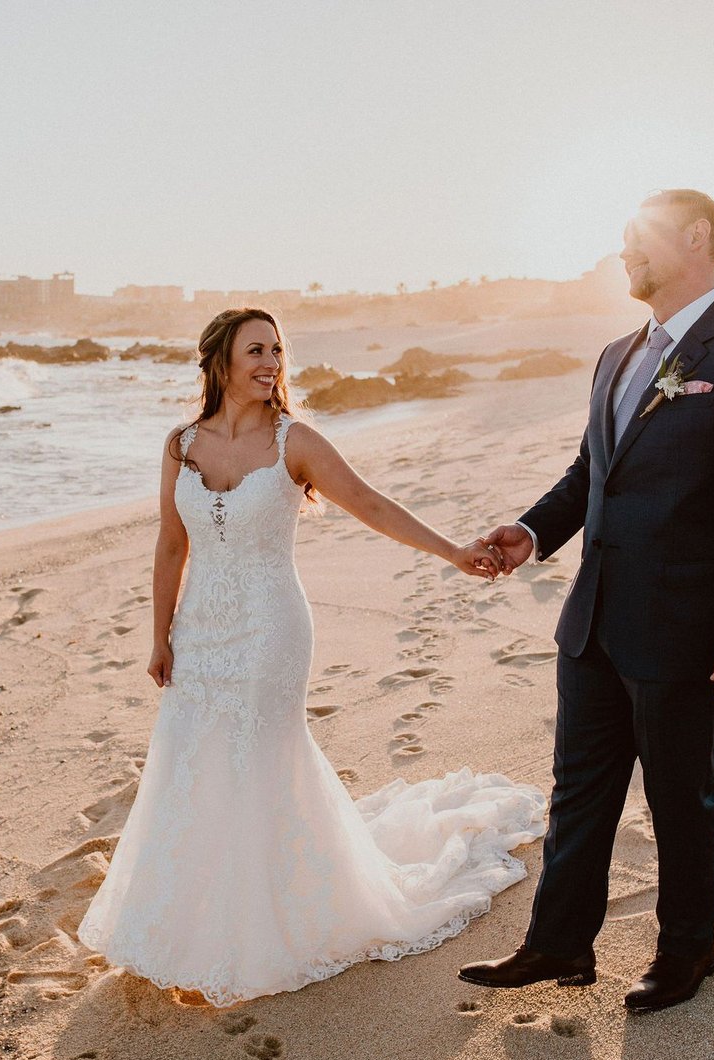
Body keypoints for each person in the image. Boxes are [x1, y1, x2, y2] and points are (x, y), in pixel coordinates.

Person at [76, 307, 547, 1007]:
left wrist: (452, 552)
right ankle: (188, 917)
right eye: (255, 350)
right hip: (201, 630)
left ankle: (264, 923)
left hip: (271, 631)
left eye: (277, 350)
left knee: (257, 758)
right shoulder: (180, 445)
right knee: (190, 755)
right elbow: (171, 545)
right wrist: (159, 634)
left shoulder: (295, 441)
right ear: (220, 362)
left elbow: (372, 506)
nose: (270, 362)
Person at [458, 189, 714, 1013]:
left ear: (696, 236)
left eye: (636, 238)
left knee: (679, 798)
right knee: (577, 789)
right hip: (593, 623)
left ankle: (689, 950)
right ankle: (557, 944)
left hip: (691, 632)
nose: (623, 253)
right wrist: (532, 530)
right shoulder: (617, 353)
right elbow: (594, 472)